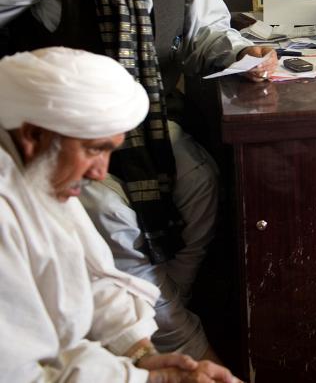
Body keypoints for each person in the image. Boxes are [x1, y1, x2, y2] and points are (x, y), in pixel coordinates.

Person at [0, 0, 276, 359]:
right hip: (66, 137)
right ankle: (185, 349)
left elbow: (207, 34)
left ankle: (147, 321)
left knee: (201, 187)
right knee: (116, 219)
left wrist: (243, 53)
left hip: (148, 124)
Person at [0, 47, 238, 383]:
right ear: (34, 134)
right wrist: (152, 379)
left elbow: (95, 276)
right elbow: (23, 374)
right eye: (94, 149)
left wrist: (142, 355)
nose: (100, 173)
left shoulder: (40, 167)